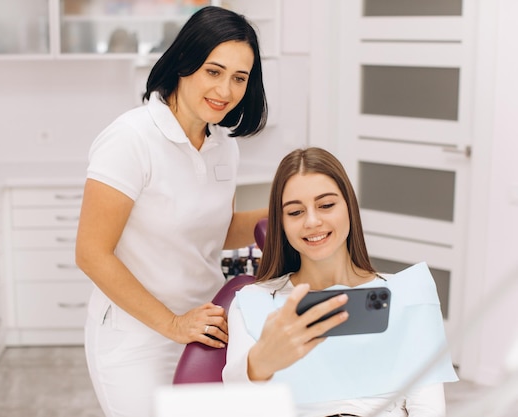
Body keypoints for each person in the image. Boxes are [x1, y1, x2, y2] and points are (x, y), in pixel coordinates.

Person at [75, 6, 268, 417]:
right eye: (213, 71)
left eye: (239, 78)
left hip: (206, 328)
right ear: (184, 64)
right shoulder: (131, 139)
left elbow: (218, 228)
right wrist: (171, 324)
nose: (226, 90)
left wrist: (290, 213)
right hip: (136, 336)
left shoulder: (224, 146)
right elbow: (92, 253)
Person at [222, 147, 458, 417]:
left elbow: (428, 409)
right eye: (296, 212)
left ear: (349, 207)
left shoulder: (409, 293)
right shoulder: (254, 302)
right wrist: (260, 363)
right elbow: (238, 405)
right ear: (282, 224)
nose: (312, 221)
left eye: (326, 205)